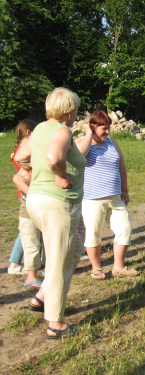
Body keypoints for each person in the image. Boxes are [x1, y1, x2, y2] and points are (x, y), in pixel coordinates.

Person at [15, 87, 86, 339]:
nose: (77, 114)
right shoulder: (63, 130)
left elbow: (21, 155)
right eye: (76, 109)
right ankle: (55, 324)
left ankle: (42, 297)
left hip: (36, 200)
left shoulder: (41, 128)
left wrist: (38, 174)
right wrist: (60, 176)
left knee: (74, 250)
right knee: (58, 264)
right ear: (68, 112)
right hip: (58, 205)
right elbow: (55, 156)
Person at [75, 110, 137, 280]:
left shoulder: (112, 143)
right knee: (93, 233)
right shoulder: (81, 142)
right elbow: (77, 156)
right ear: (92, 127)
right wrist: (88, 135)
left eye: (108, 128)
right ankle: (96, 268)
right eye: (104, 128)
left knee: (125, 229)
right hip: (92, 198)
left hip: (115, 197)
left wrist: (124, 190)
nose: (108, 131)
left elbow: (121, 167)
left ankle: (119, 267)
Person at [8, 120, 38, 277]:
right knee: (25, 232)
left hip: (26, 193)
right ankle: (14, 263)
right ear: (29, 133)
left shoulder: (18, 149)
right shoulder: (24, 151)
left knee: (28, 231)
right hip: (28, 194)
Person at [13, 159, 44, 288]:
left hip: (46, 208)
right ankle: (31, 276)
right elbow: (31, 193)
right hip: (28, 211)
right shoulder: (20, 177)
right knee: (31, 242)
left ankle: (48, 270)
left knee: (49, 241)